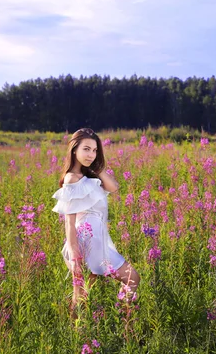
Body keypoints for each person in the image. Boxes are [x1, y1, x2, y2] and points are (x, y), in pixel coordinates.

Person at [52, 128, 140, 310]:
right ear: (74, 150)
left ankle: (122, 320)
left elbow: (114, 187)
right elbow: (69, 221)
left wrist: (96, 168)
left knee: (84, 295)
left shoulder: (88, 177)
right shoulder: (71, 178)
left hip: (97, 242)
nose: (91, 154)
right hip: (85, 243)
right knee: (129, 278)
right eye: (86, 149)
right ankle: (120, 322)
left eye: (94, 150)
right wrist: (75, 255)